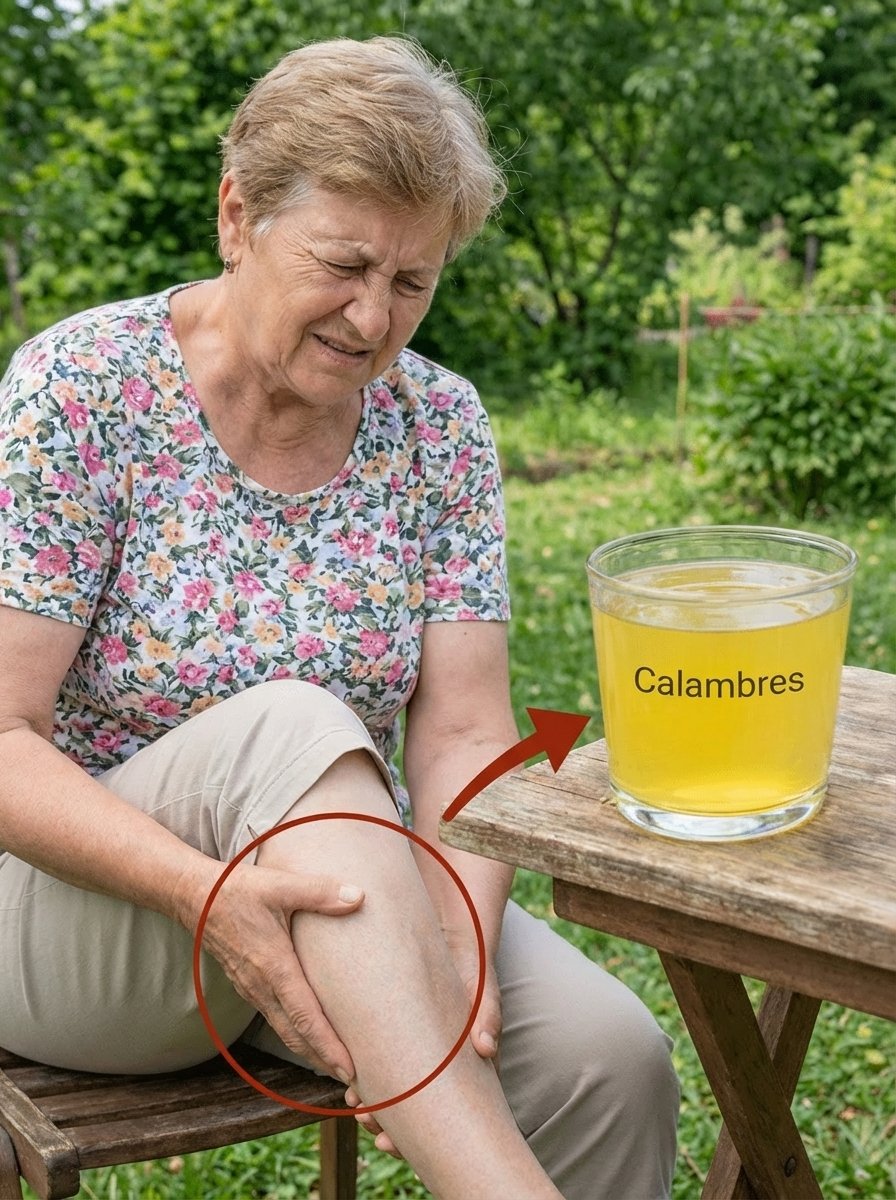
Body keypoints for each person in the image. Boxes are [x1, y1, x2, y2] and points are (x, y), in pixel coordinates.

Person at [0, 35, 679, 1199]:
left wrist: (461, 940)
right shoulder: (81, 388)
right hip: (91, 925)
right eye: (343, 264)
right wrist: (204, 894)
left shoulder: (438, 425)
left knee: (606, 1059)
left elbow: (464, 729)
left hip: (346, 892)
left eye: (412, 281)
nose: (372, 318)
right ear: (238, 216)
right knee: (295, 724)